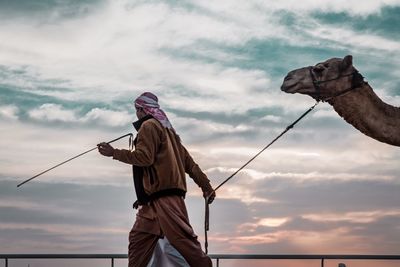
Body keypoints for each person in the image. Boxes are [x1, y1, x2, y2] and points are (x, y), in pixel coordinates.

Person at [98, 92, 215, 267]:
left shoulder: (149, 126)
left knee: (183, 241)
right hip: (150, 202)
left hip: (165, 198)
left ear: (141, 109)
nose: (136, 114)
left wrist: (113, 153)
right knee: (138, 240)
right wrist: (206, 186)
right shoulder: (171, 134)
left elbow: (144, 158)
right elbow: (191, 165)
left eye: (136, 110)